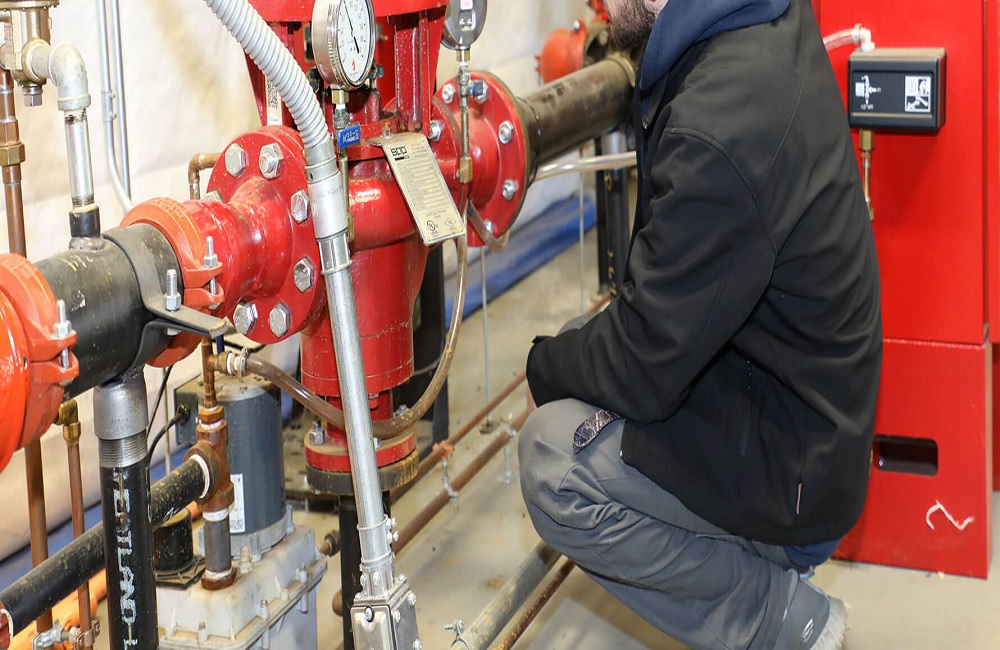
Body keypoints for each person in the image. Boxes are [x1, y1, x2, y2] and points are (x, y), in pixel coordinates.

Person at [518, 0, 882, 648]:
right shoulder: (754, 22)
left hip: (793, 468)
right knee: (581, 339)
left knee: (552, 456)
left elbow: (640, 363)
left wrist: (538, 368)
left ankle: (780, 617)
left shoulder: (723, 119)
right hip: (794, 406)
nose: (598, 3)